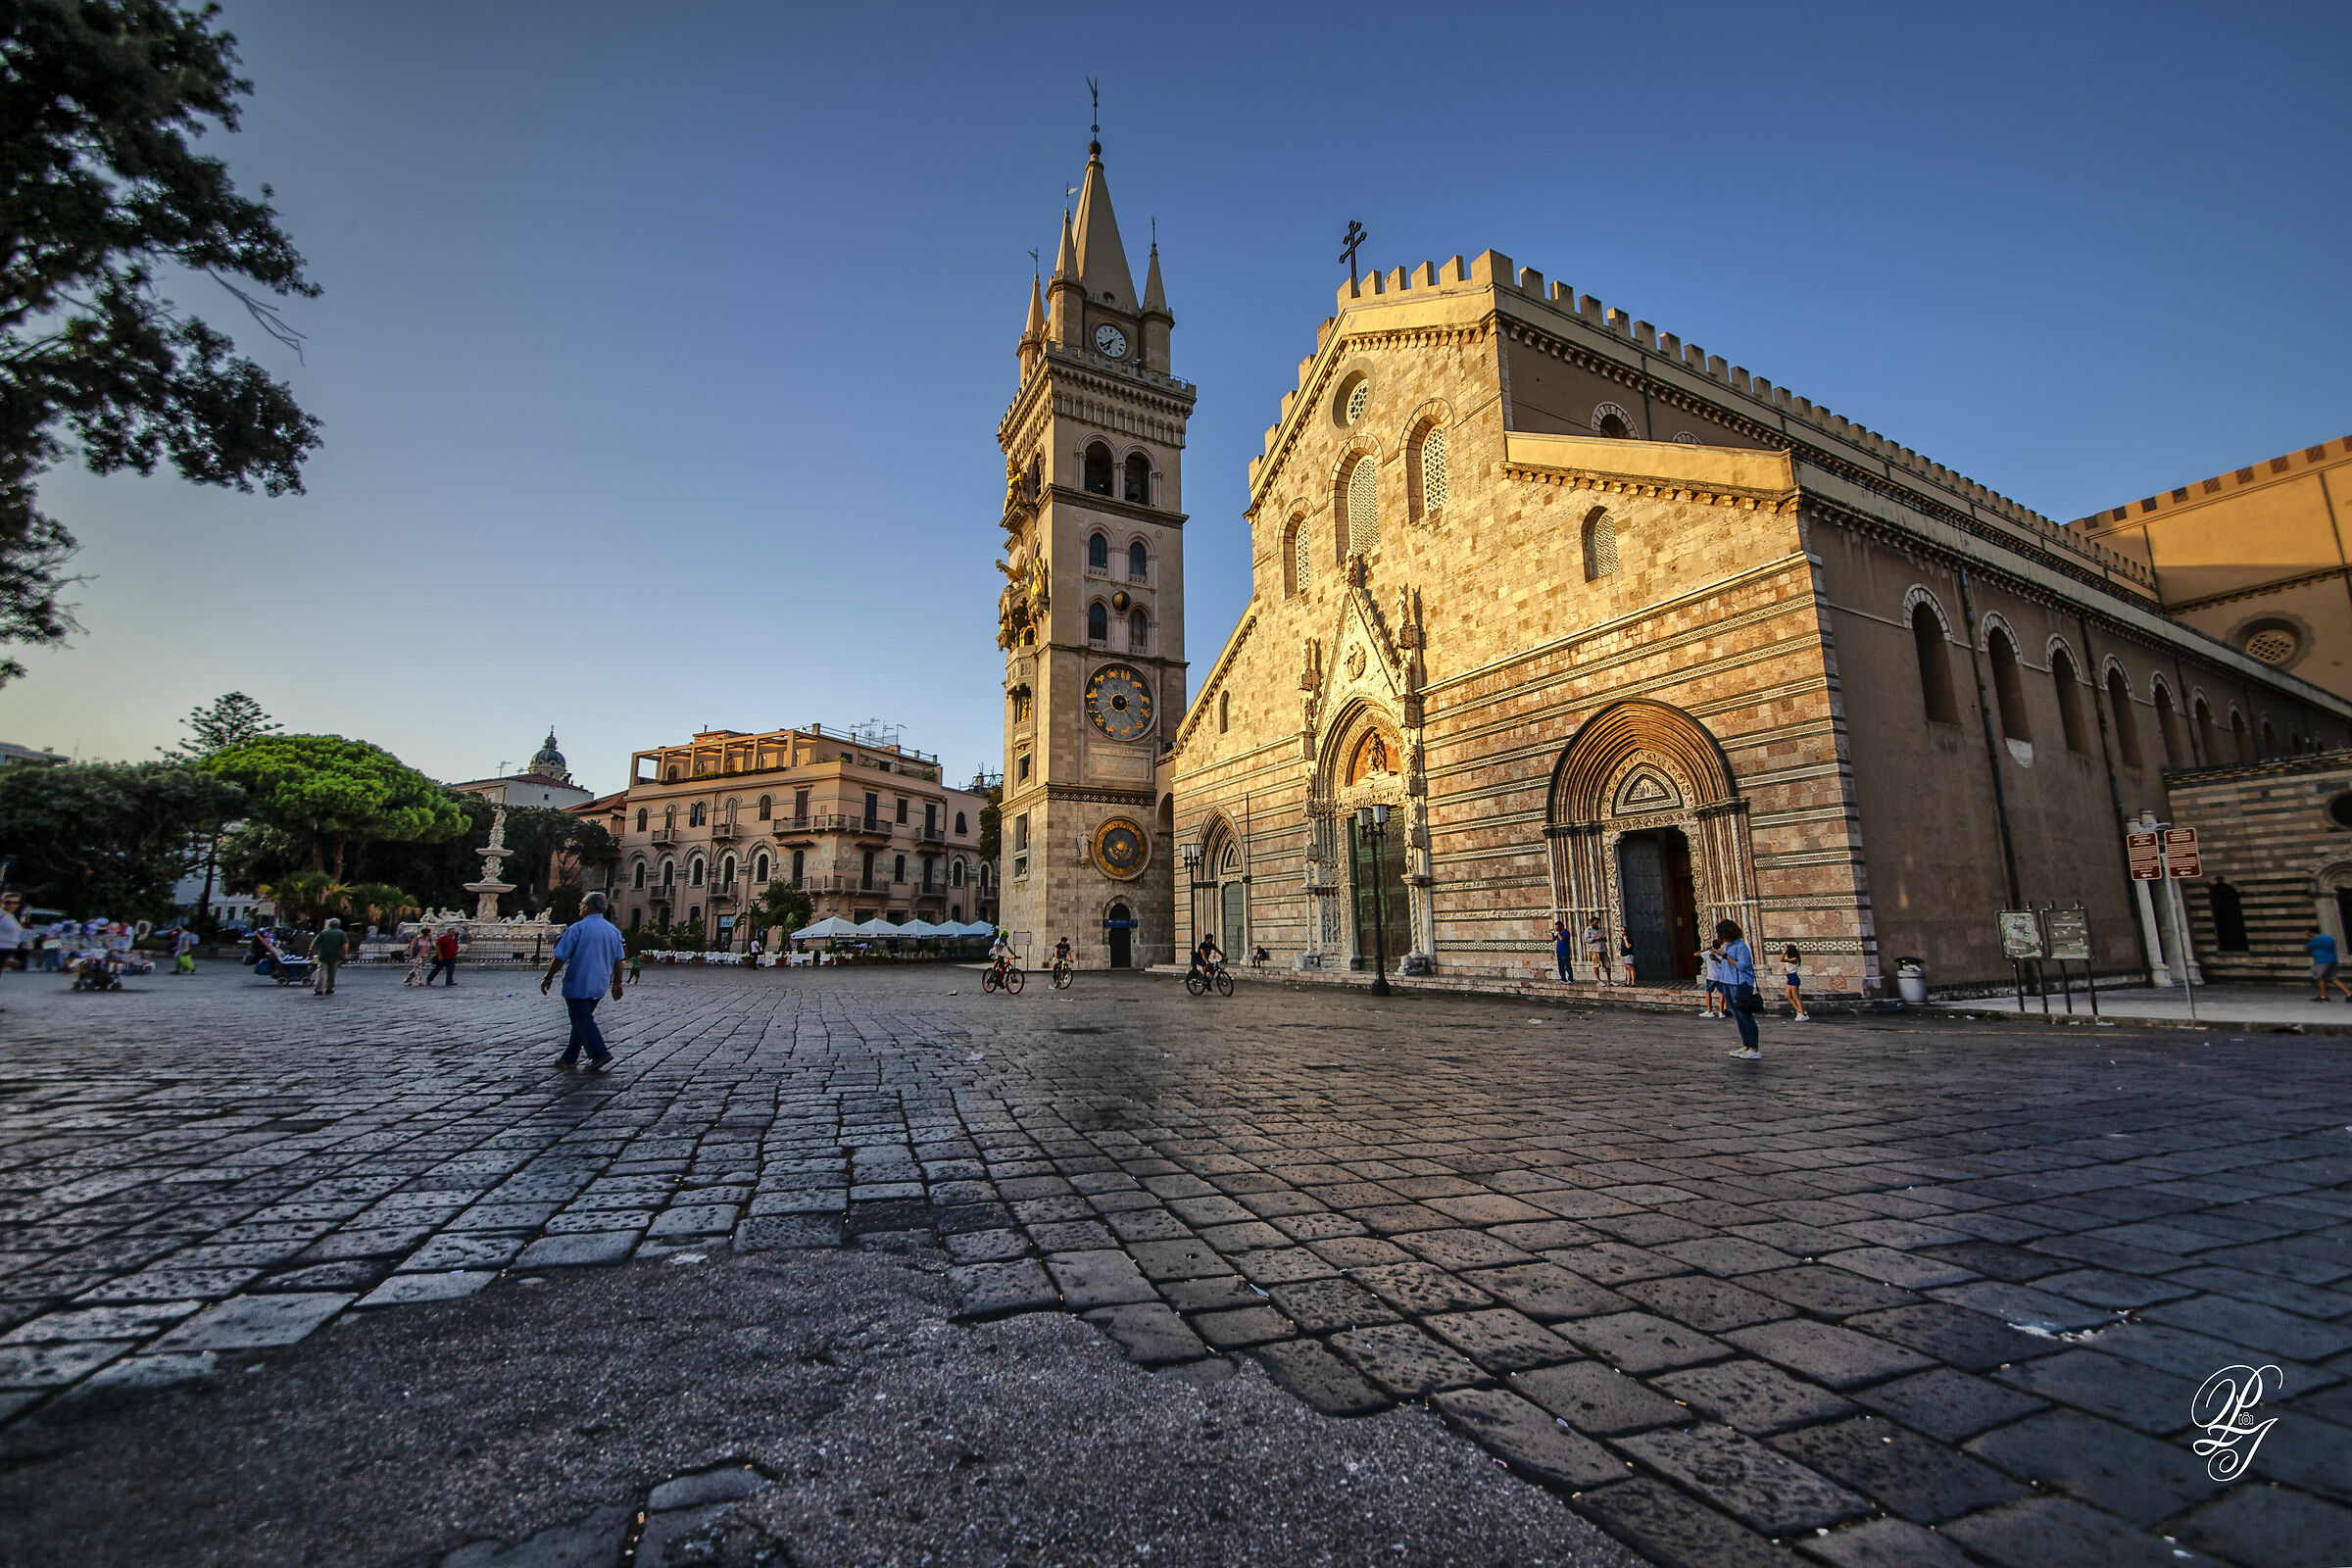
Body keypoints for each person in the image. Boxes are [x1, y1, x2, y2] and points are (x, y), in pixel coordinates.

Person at [541, 891, 627, 1070]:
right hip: (599, 985)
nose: (579, 906)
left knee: (581, 1020)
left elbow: (560, 956)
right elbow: (619, 961)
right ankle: (569, 1057)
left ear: (588, 907)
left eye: (581, 903)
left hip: (578, 982)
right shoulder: (613, 931)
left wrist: (549, 976)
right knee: (581, 1020)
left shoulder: (577, 929)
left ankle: (599, 1053)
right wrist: (617, 983)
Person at [1719, 918, 1761, 1059]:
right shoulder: (1727, 946)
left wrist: (1725, 956)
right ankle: (1746, 1046)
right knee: (1737, 1016)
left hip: (1740, 984)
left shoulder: (1741, 947)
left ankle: (1754, 1049)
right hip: (1727, 982)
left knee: (1745, 1015)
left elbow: (1742, 966)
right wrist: (1717, 958)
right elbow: (1726, 963)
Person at [2307, 927, 2350, 1002]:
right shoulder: (2329, 937)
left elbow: (2306, 948)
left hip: (2321, 961)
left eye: (2308, 934)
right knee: (2334, 978)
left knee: (2321, 978)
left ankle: (2323, 996)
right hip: (2332, 960)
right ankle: (2349, 993)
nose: (2308, 935)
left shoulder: (2314, 940)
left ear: (2312, 933)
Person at [310, 917, 349, 996]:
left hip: (323, 955)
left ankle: (319, 989)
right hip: (336, 955)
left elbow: (314, 943)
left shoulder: (324, 933)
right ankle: (329, 988)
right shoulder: (341, 933)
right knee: (332, 973)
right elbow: (345, 945)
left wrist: (311, 951)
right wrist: (344, 953)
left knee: (322, 971)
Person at [1782, 944, 1807, 1021]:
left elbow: (1781, 959)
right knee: (1787, 995)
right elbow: (1786, 966)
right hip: (1789, 977)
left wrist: (1784, 952)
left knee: (1796, 996)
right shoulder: (1790, 959)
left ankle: (1803, 1014)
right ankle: (1799, 1010)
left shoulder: (1795, 959)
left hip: (1793, 978)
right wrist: (1784, 970)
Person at [1583, 916, 1607, 982]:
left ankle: (1609, 980)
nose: (1597, 924)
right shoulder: (1588, 930)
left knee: (1607, 964)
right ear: (1592, 923)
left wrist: (1603, 938)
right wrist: (1595, 938)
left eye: (1598, 923)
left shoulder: (1600, 930)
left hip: (1603, 949)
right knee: (1596, 964)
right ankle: (1599, 980)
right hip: (1594, 950)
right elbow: (1586, 939)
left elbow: (1605, 939)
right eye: (1596, 923)